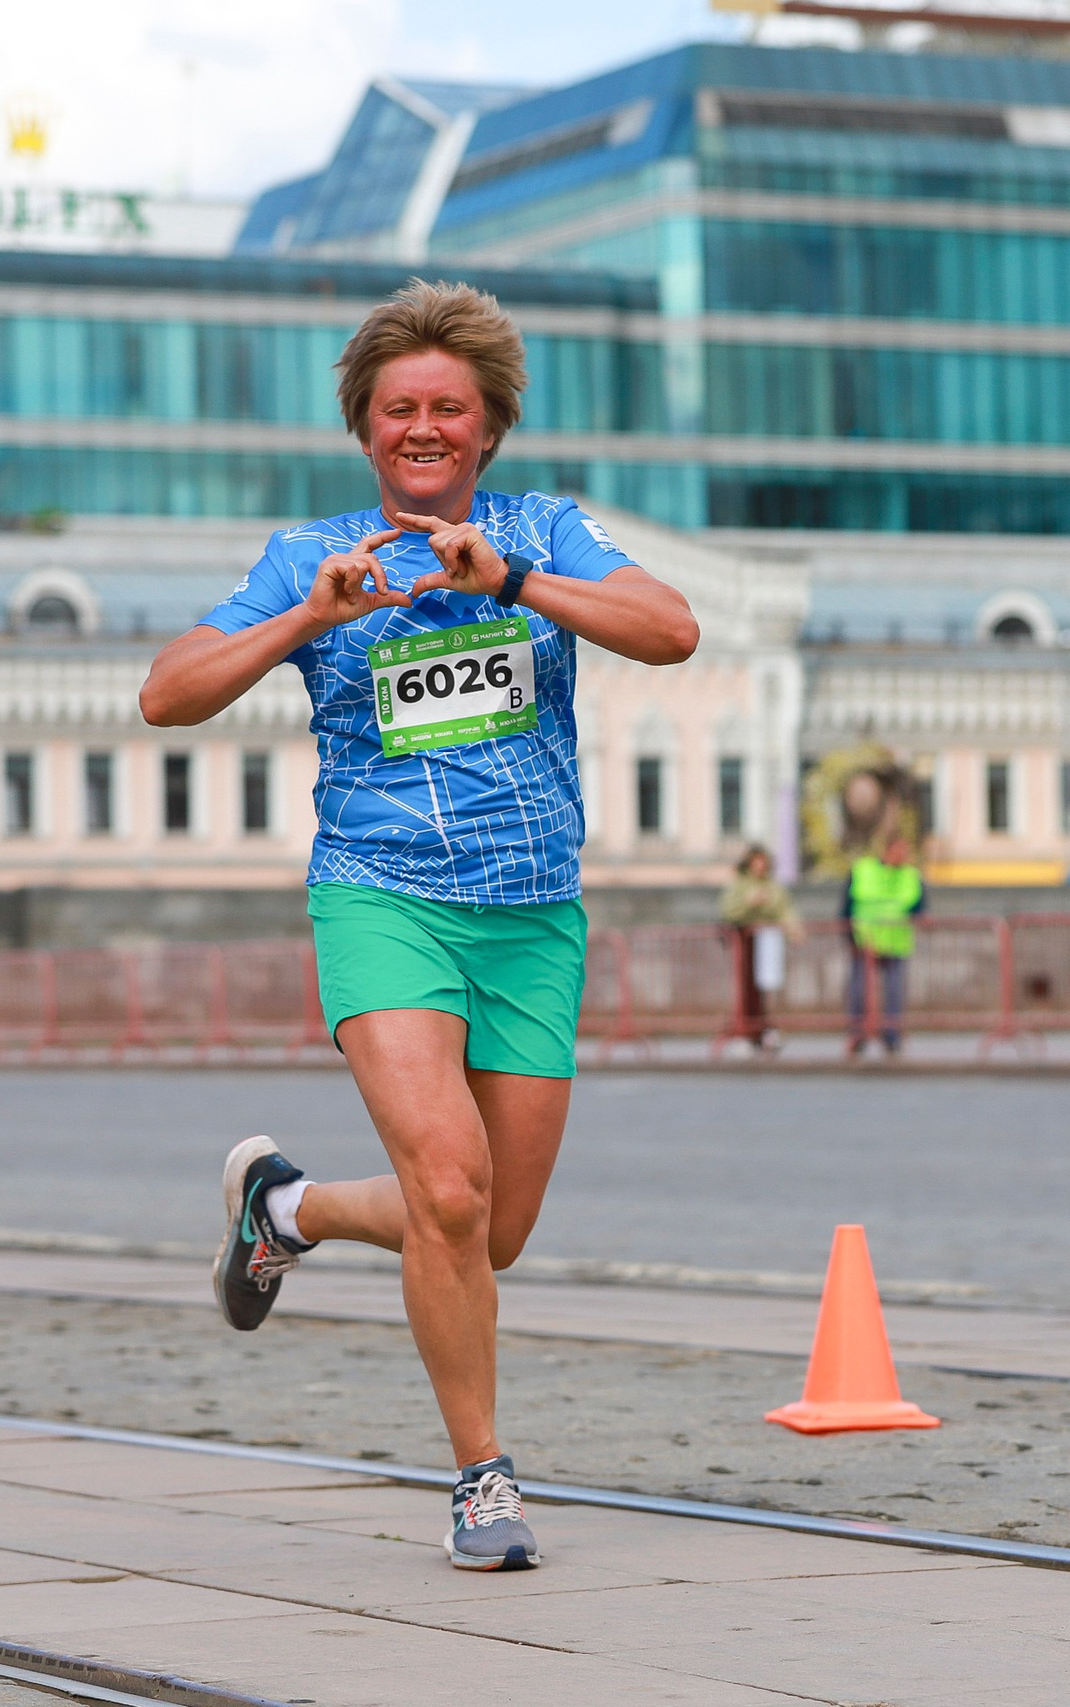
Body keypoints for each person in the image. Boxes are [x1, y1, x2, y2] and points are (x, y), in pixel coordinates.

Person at [140, 281, 697, 1571]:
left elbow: (669, 629)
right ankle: (481, 1479)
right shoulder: (310, 555)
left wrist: (514, 581)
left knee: (489, 1229)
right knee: (447, 1189)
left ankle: (288, 1210)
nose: (425, 427)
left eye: (450, 407)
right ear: (366, 426)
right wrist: (313, 616)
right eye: (401, 409)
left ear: (489, 425)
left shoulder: (537, 529)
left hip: (530, 913)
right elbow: (166, 696)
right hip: (381, 895)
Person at [844, 831, 924, 1056]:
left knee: (894, 993)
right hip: (865, 941)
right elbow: (847, 905)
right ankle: (857, 1034)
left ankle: (892, 1035)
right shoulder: (863, 870)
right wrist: (849, 937)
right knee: (859, 991)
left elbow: (919, 906)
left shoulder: (910, 875)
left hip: (896, 942)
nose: (904, 856)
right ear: (888, 850)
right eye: (900, 850)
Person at [719, 845, 796, 1053]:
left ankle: (762, 1030)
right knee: (745, 989)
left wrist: (795, 930)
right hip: (744, 943)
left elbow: (784, 909)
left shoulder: (772, 885)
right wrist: (750, 904)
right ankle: (745, 1031)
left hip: (767, 942)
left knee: (765, 989)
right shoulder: (740, 884)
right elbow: (729, 910)